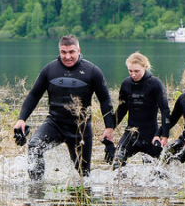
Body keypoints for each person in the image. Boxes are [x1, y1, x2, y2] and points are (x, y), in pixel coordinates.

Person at [13, 35, 116, 180]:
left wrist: (109, 128)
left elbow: (105, 100)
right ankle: (36, 188)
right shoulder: (50, 70)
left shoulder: (92, 71)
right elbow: (34, 95)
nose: (68, 56)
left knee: (83, 175)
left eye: (71, 52)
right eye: (63, 52)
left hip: (80, 129)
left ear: (79, 50)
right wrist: (21, 119)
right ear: (59, 51)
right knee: (34, 147)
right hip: (55, 124)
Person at [112, 52, 171, 169]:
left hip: (151, 135)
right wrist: (110, 128)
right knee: (116, 163)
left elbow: (165, 111)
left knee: (156, 172)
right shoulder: (126, 84)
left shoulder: (155, 84)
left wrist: (164, 135)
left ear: (145, 67)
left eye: (136, 71)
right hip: (131, 133)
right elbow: (121, 110)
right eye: (130, 71)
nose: (133, 74)